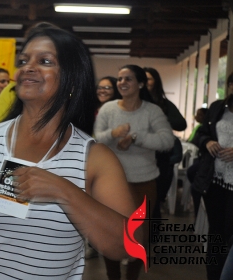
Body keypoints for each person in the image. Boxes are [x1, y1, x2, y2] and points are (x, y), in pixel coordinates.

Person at [0, 25, 136, 280]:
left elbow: (127, 246)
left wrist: (64, 192)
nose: (27, 67)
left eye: (45, 61)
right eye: (23, 60)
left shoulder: (95, 160)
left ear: (71, 80)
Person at [95, 64, 175, 280]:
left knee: (140, 237)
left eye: (128, 79)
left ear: (140, 84)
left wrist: (136, 138)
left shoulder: (152, 110)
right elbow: (95, 139)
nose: (122, 83)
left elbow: (167, 140)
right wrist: (114, 133)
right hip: (112, 183)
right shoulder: (108, 109)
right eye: (120, 79)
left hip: (144, 182)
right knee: (111, 234)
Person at [193, 72, 233, 280]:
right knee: (216, 234)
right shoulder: (218, 108)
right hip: (215, 181)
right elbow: (200, 133)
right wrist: (207, 142)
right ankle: (213, 276)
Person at [144, 67, 187, 222]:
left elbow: (181, 124)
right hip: (137, 158)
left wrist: (159, 119)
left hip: (160, 159)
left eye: (148, 78)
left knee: (155, 200)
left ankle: (150, 237)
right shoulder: (133, 102)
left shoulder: (163, 104)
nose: (145, 81)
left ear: (156, 82)